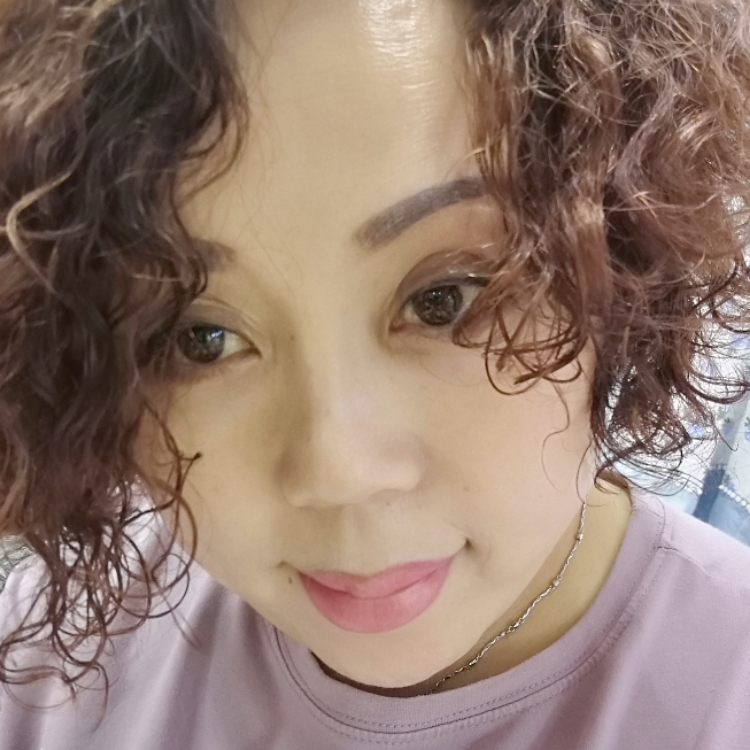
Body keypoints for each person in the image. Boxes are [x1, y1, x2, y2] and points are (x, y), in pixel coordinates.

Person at [1, 0, 749, 747]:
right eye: (202, 339)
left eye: (443, 300)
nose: (340, 472)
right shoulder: (48, 671)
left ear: (617, 253)